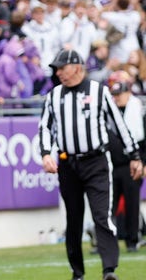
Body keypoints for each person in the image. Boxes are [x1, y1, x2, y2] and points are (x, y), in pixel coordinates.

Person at [38, 49, 143, 280]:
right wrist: (46, 153)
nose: (58, 73)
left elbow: (119, 124)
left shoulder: (99, 92)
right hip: (68, 163)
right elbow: (45, 127)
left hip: (96, 161)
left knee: (102, 215)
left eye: (62, 68)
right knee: (73, 219)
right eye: (56, 69)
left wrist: (135, 155)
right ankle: (77, 272)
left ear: (76, 67)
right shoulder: (54, 96)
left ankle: (109, 269)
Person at [106, 70, 145, 253]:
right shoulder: (109, 113)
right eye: (114, 95)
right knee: (108, 206)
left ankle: (132, 240)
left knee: (132, 203)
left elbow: (143, 140)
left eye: (119, 94)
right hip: (112, 164)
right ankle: (106, 240)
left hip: (132, 164)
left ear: (128, 93)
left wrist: (143, 163)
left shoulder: (137, 111)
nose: (117, 98)